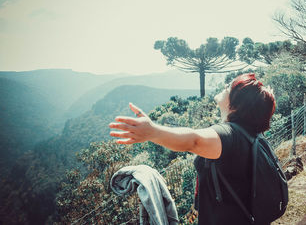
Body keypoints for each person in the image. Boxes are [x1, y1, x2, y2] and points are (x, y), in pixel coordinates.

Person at [109, 73, 276, 225]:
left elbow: (193, 141)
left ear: (236, 104)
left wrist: (153, 132)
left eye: (230, 87)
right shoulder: (252, 134)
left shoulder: (230, 135)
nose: (225, 86)